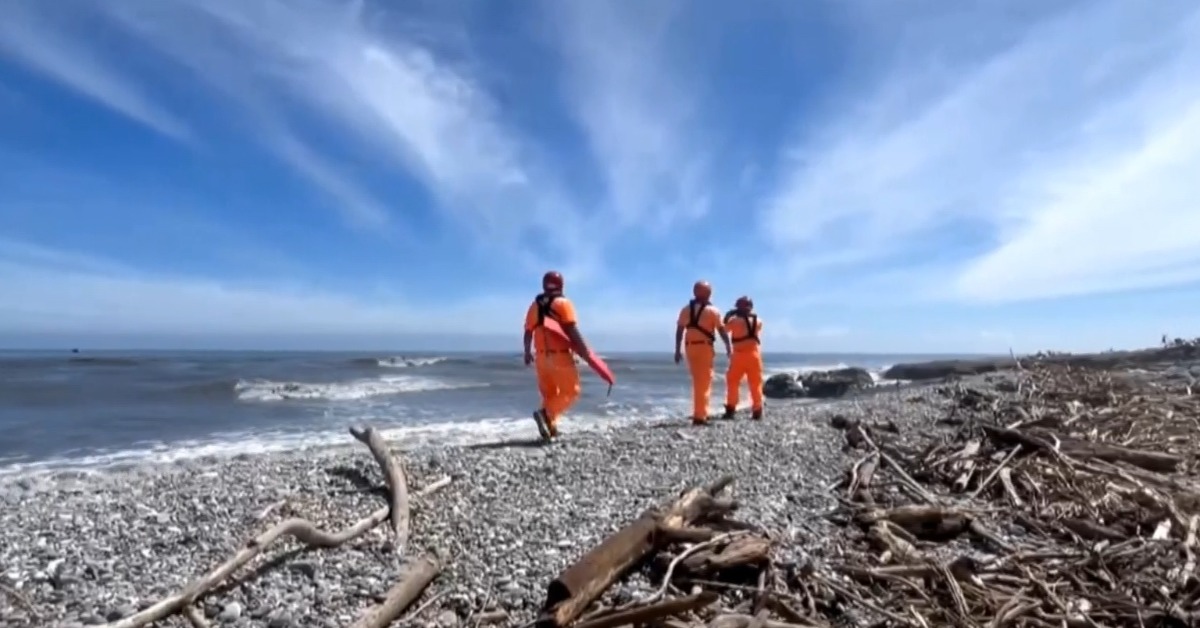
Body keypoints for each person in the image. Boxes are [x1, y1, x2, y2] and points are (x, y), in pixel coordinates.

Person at [523, 270, 590, 441]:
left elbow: (528, 332)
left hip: (541, 358)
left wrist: (527, 352)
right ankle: (546, 414)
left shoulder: (534, 306)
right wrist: (585, 352)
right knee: (572, 391)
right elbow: (571, 330)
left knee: (550, 395)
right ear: (561, 285)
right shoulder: (563, 304)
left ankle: (550, 428)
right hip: (560, 357)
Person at [675, 280, 731, 425]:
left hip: (690, 348)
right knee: (704, 381)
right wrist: (728, 346)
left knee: (697, 381)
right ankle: (700, 416)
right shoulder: (713, 311)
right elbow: (721, 330)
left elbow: (680, 330)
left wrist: (677, 350)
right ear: (708, 294)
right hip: (704, 347)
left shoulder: (686, 309)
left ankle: (699, 412)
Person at [722, 296, 764, 420]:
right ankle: (757, 410)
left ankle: (731, 409)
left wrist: (728, 316)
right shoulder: (758, 321)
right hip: (754, 355)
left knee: (733, 382)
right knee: (755, 383)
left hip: (738, 355)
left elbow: (724, 330)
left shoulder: (734, 321)